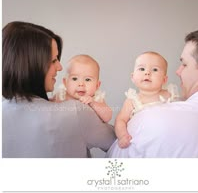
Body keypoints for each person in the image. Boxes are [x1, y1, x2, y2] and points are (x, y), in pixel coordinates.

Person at [107, 27, 198, 158]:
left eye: (184, 64)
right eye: (142, 69)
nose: (178, 72)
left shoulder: (148, 120)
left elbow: (114, 169)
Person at [2, 21, 116, 158]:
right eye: (54, 60)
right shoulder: (75, 111)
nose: (60, 67)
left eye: (87, 79)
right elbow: (117, 143)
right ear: (34, 65)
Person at [115, 51, 179, 148]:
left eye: (155, 70)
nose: (147, 73)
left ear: (164, 79)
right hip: (142, 142)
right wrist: (122, 136)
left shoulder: (170, 95)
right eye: (142, 69)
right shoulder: (132, 100)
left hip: (167, 140)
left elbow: (182, 114)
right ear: (133, 77)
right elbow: (121, 120)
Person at [54, 55, 112, 123]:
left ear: (97, 85)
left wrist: (92, 103)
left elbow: (108, 117)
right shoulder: (61, 96)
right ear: (65, 82)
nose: (81, 84)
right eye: (74, 78)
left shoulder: (96, 99)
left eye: (87, 79)